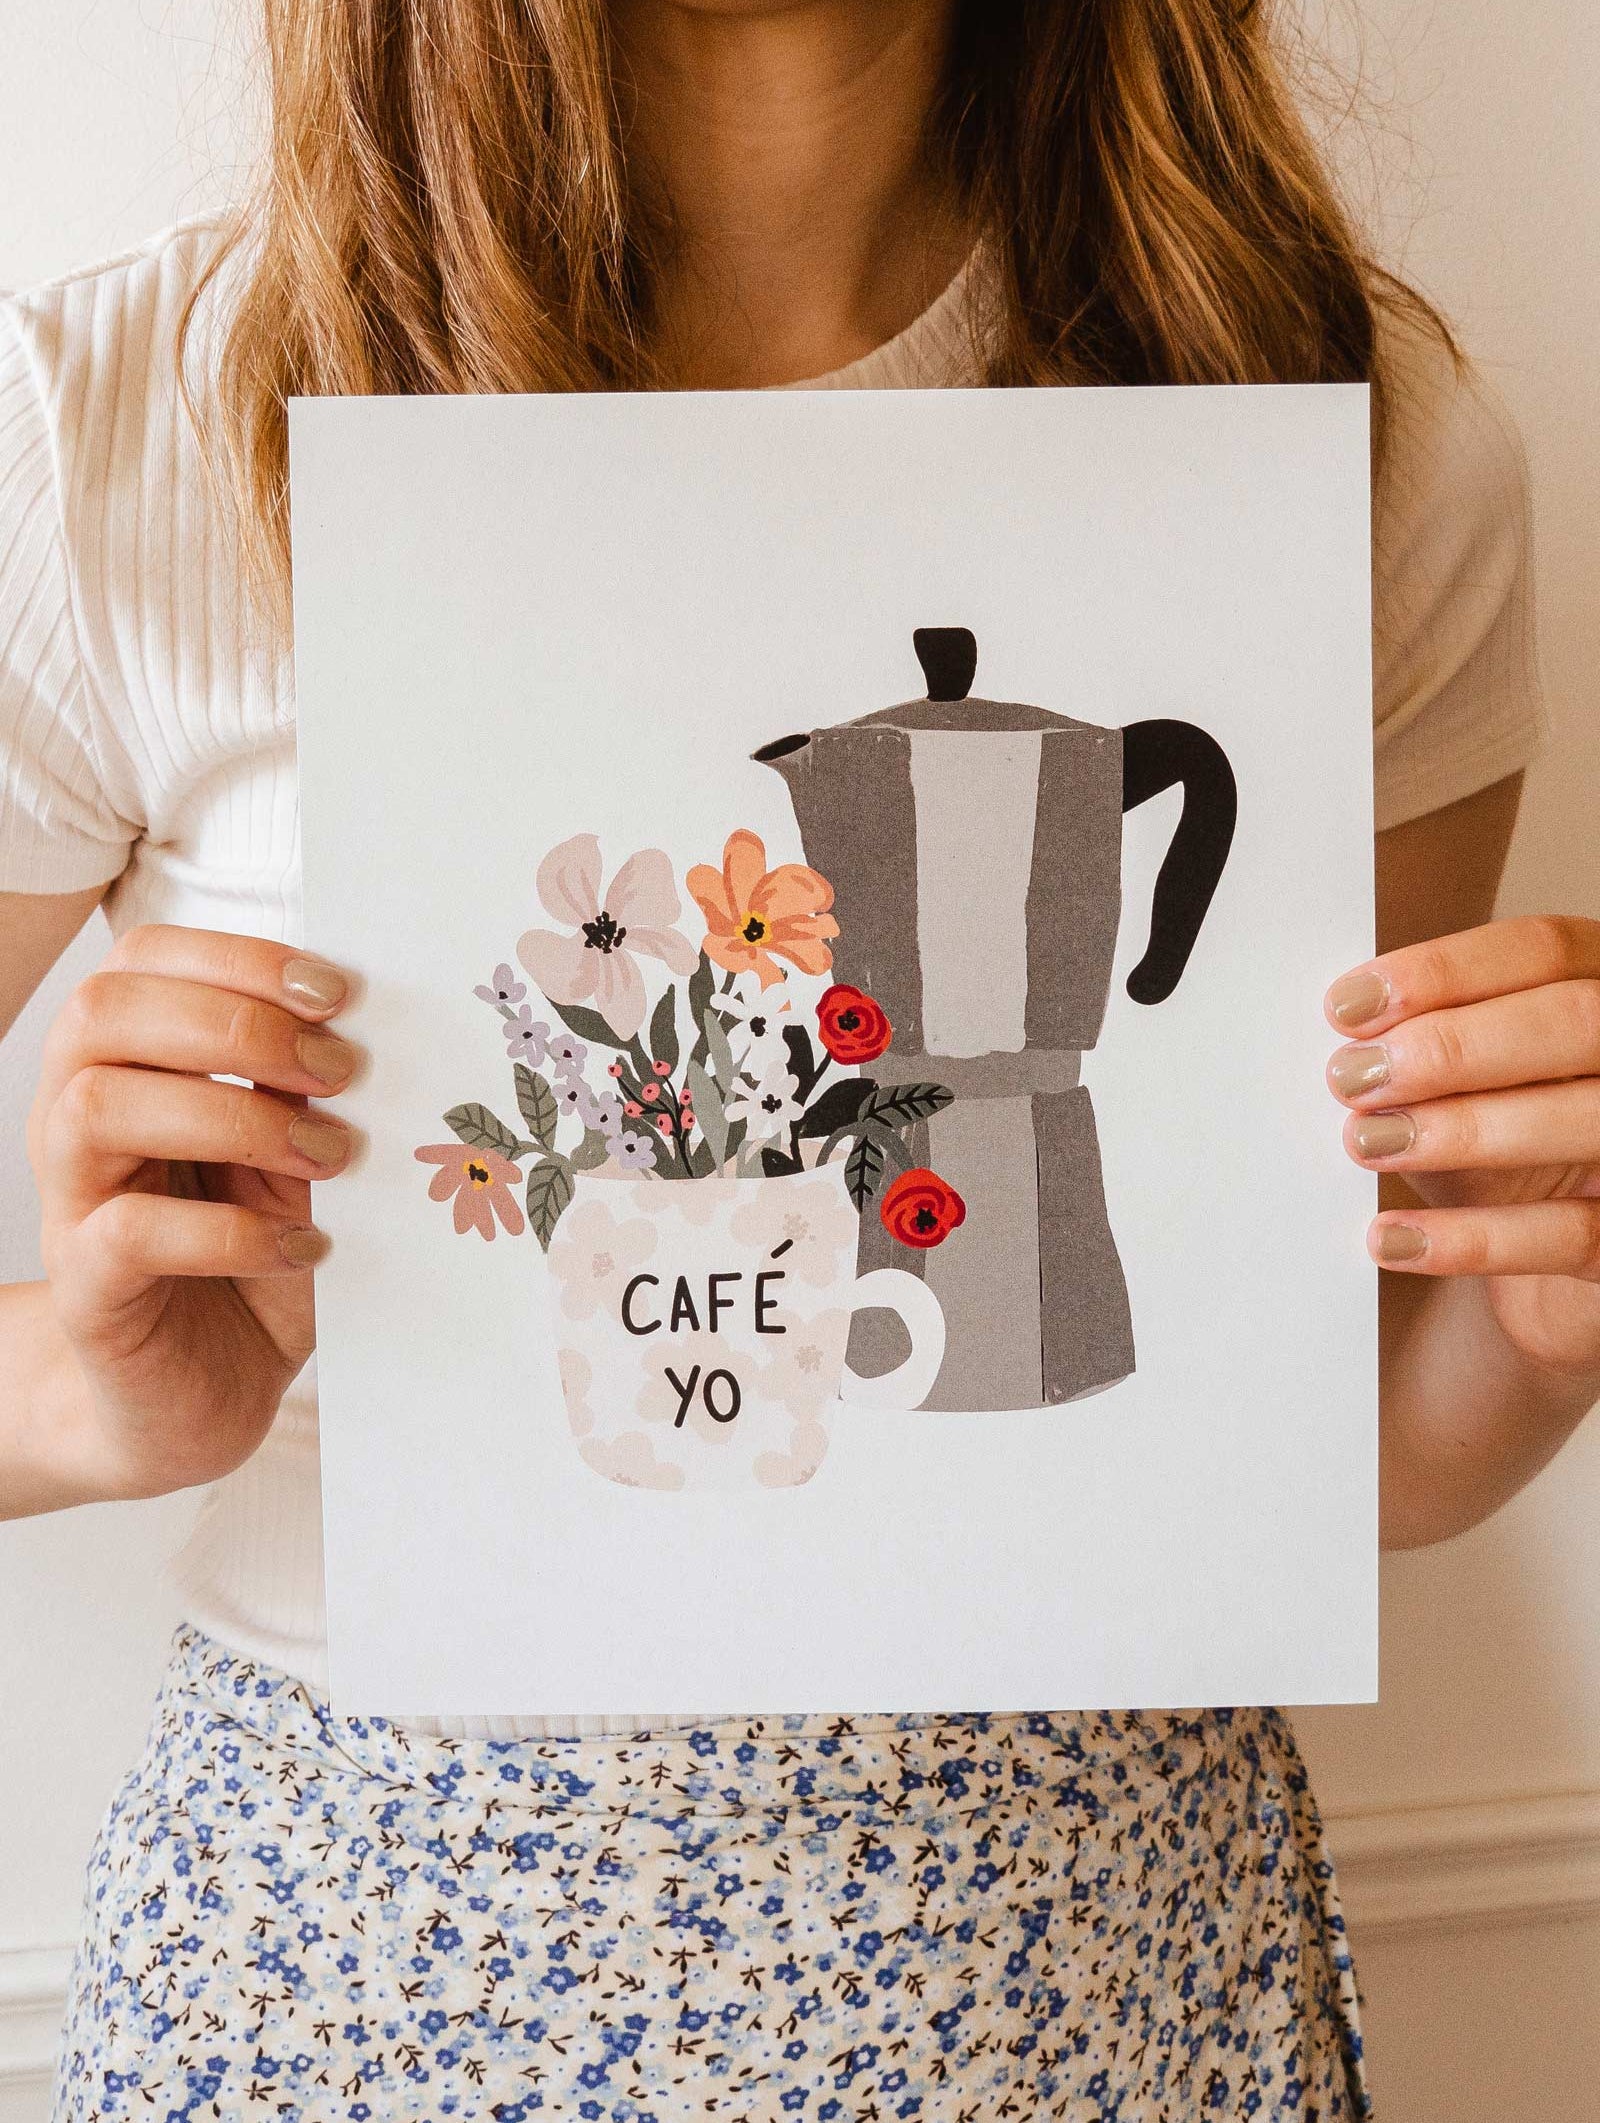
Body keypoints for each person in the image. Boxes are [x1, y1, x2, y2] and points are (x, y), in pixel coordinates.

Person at [0, 2, 1591, 2116]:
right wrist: (81, 1398)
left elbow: (1347, 1452)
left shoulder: (1347, 439)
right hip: (362, 1947)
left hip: (1092, 1937)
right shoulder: (119, 426)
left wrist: (1541, 1296)